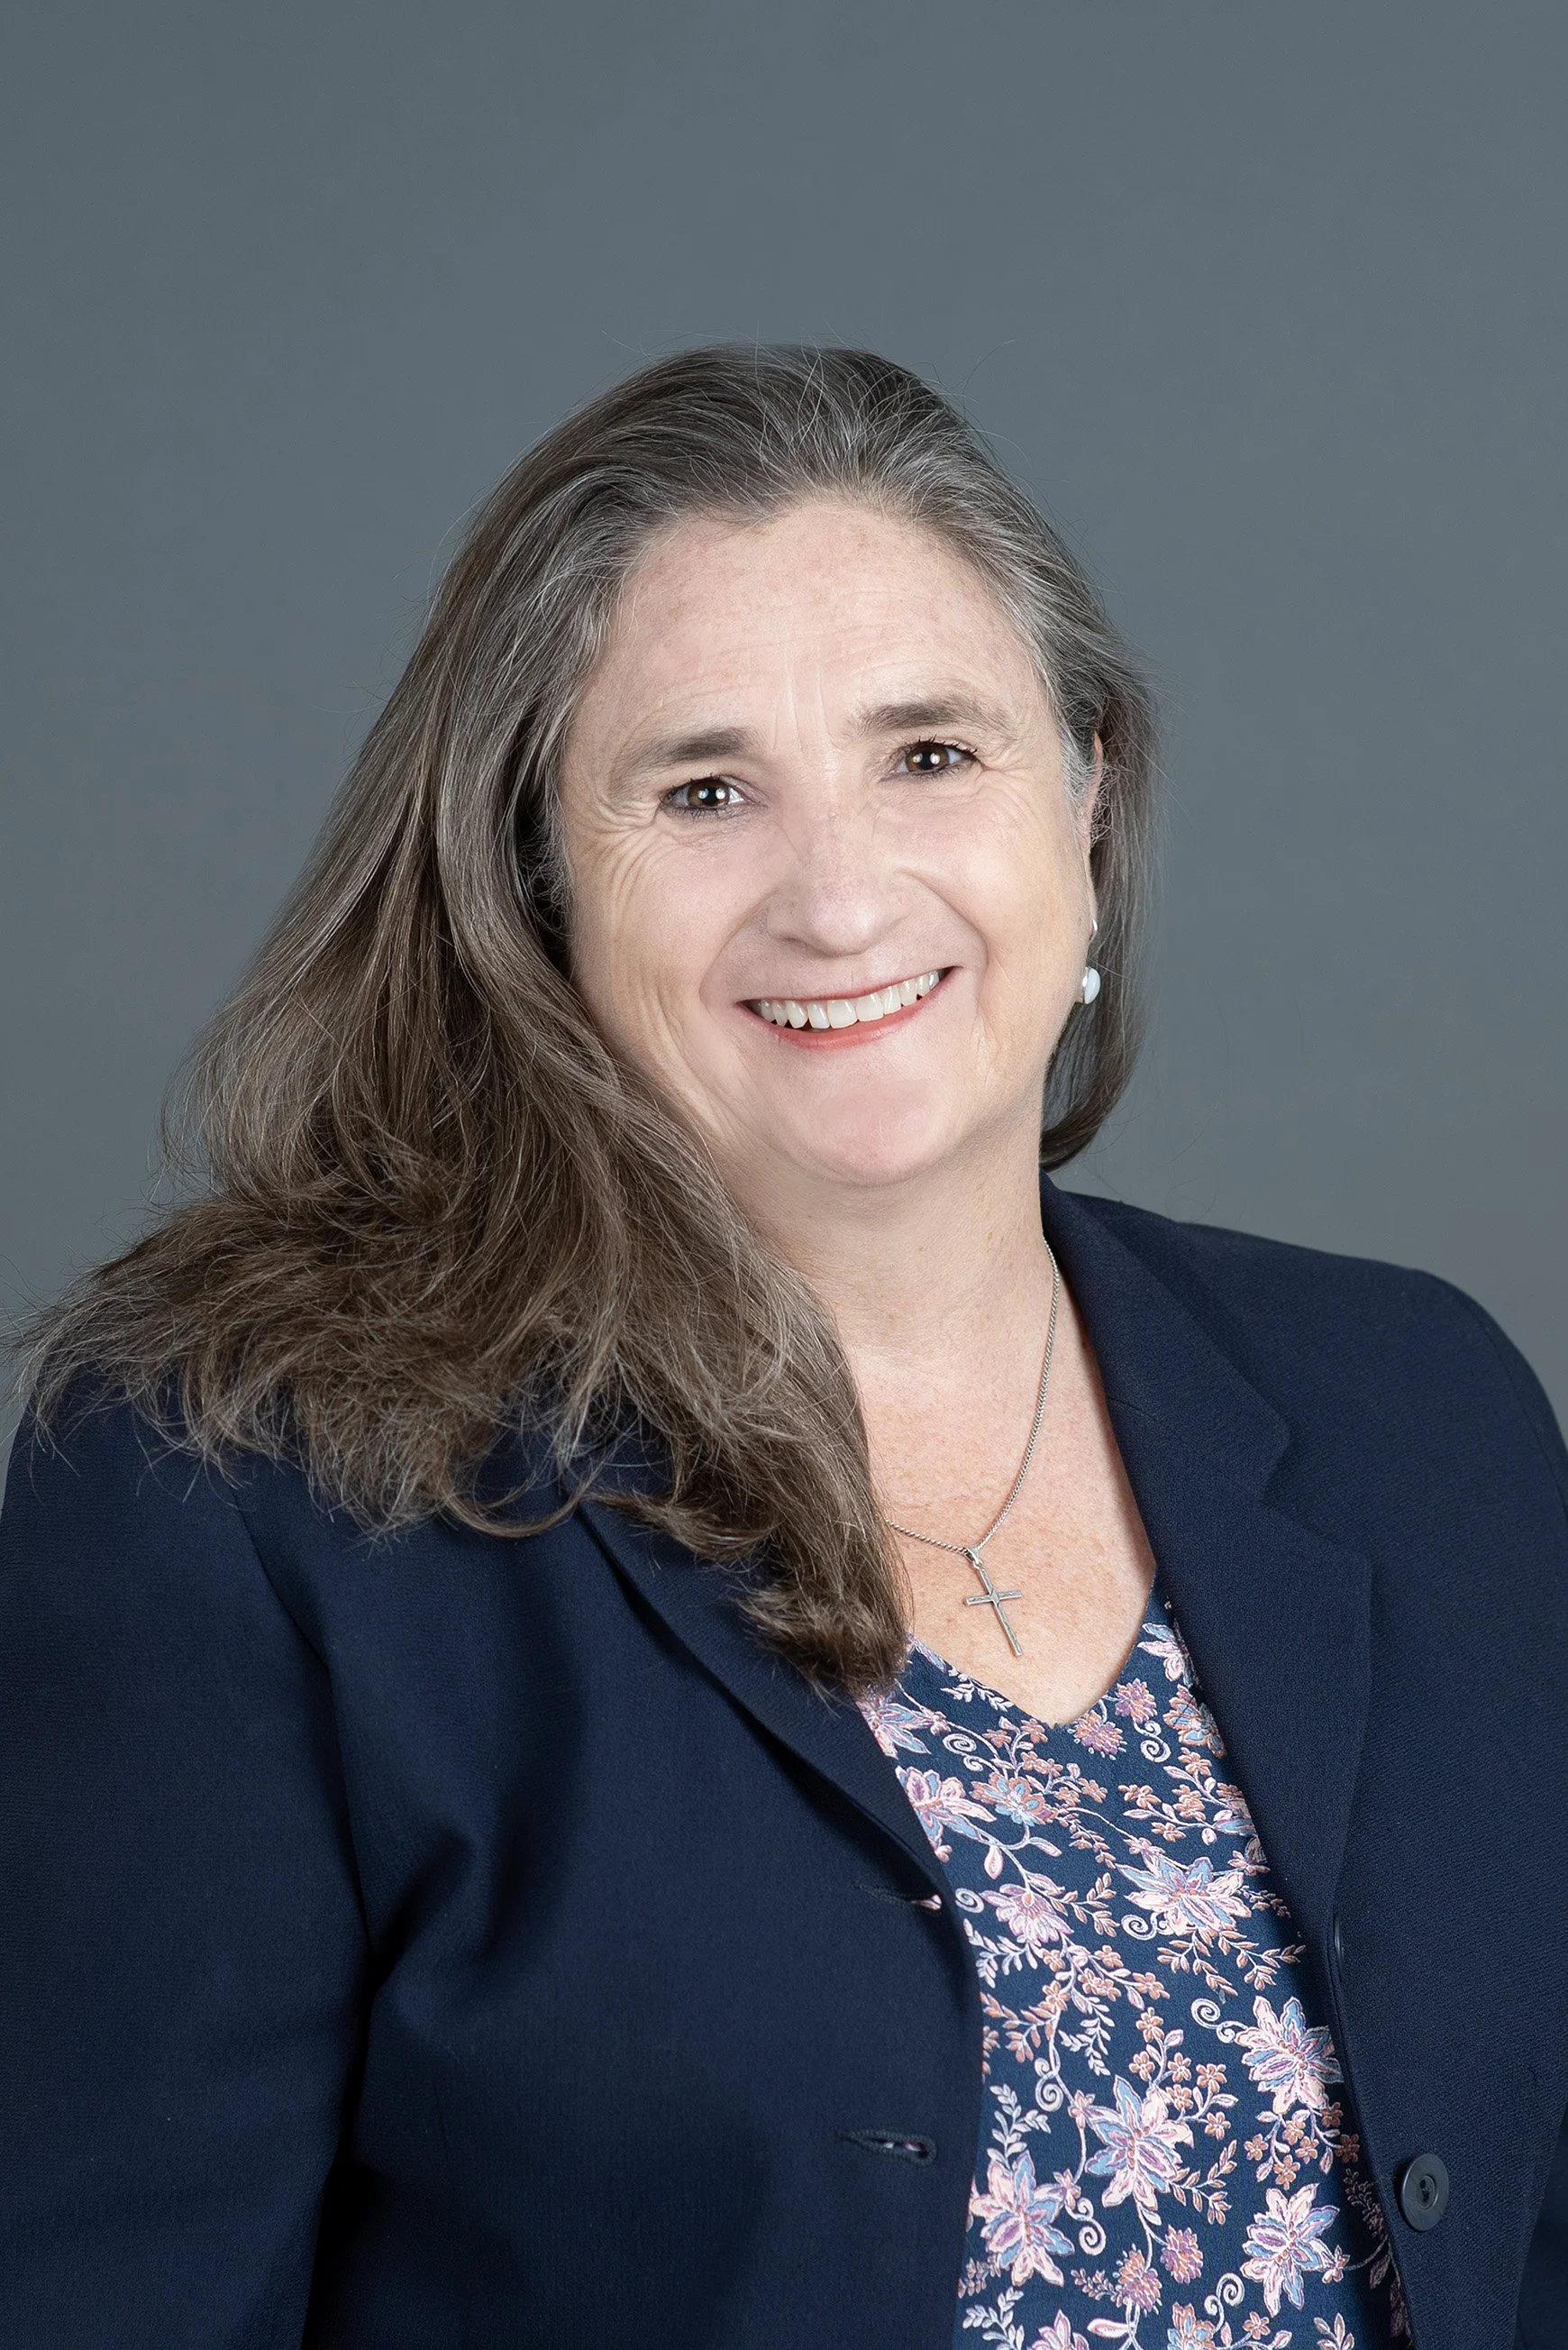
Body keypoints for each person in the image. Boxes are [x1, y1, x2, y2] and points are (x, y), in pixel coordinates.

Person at [2, 347, 1563, 2350]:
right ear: (536, 886)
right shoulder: (246, 1494)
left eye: (931, 754)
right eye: (706, 789)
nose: (837, 895)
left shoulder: (1418, 1408)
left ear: (1087, 794)